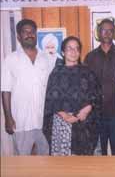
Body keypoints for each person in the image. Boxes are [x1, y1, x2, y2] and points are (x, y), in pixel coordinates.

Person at [1, 19, 55, 155]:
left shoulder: (47, 58)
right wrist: (8, 118)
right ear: (19, 36)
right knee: (22, 162)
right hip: (21, 121)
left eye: (32, 32)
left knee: (46, 159)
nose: (29, 34)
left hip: (44, 121)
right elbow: (5, 90)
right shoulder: (11, 59)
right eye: (25, 32)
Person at [43, 36, 100, 156]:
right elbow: (51, 98)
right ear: (63, 52)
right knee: (64, 165)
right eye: (70, 48)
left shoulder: (88, 72)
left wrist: (86, 110)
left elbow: (96, 95)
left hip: (85, 122)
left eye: (77, 48)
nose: (74, 52)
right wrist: (65, 116)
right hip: (62, 123)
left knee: (84, 163)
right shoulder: (56, 73)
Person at [84, 19, 115, 155]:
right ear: (98, 33)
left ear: (114, 33)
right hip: (96, 115)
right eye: (104, 30)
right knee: (97, 156)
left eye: (110, 30)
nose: (107, 33)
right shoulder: (90, 57)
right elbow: (85, 86)